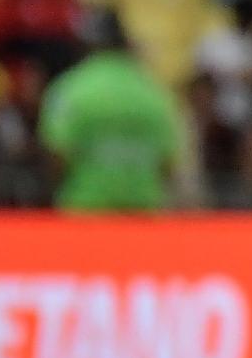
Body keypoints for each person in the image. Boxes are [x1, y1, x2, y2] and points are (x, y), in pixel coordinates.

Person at [38, 12, 183, 211]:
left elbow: (56, 153)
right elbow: (168, 161)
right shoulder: (157, 93)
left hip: (85, 211)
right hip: (143, 214)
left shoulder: (71, 88)